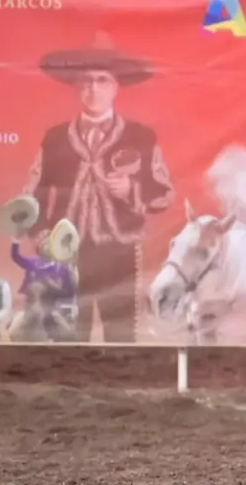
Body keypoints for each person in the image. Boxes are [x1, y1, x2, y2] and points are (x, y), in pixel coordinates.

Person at [24, 33, 175, 343]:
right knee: (67, 331)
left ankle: (117, 390)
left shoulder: (139, 136)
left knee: (120, 333)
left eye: (102, 80)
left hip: (119, 251)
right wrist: (41, 236)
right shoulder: (55, 137)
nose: (94, 89)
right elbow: (32, 194)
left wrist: (131, 190)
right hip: (66, 250)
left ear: (116, 87)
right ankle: (67, 389)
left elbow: (164, 193)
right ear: (76, 88)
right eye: (86, 81)